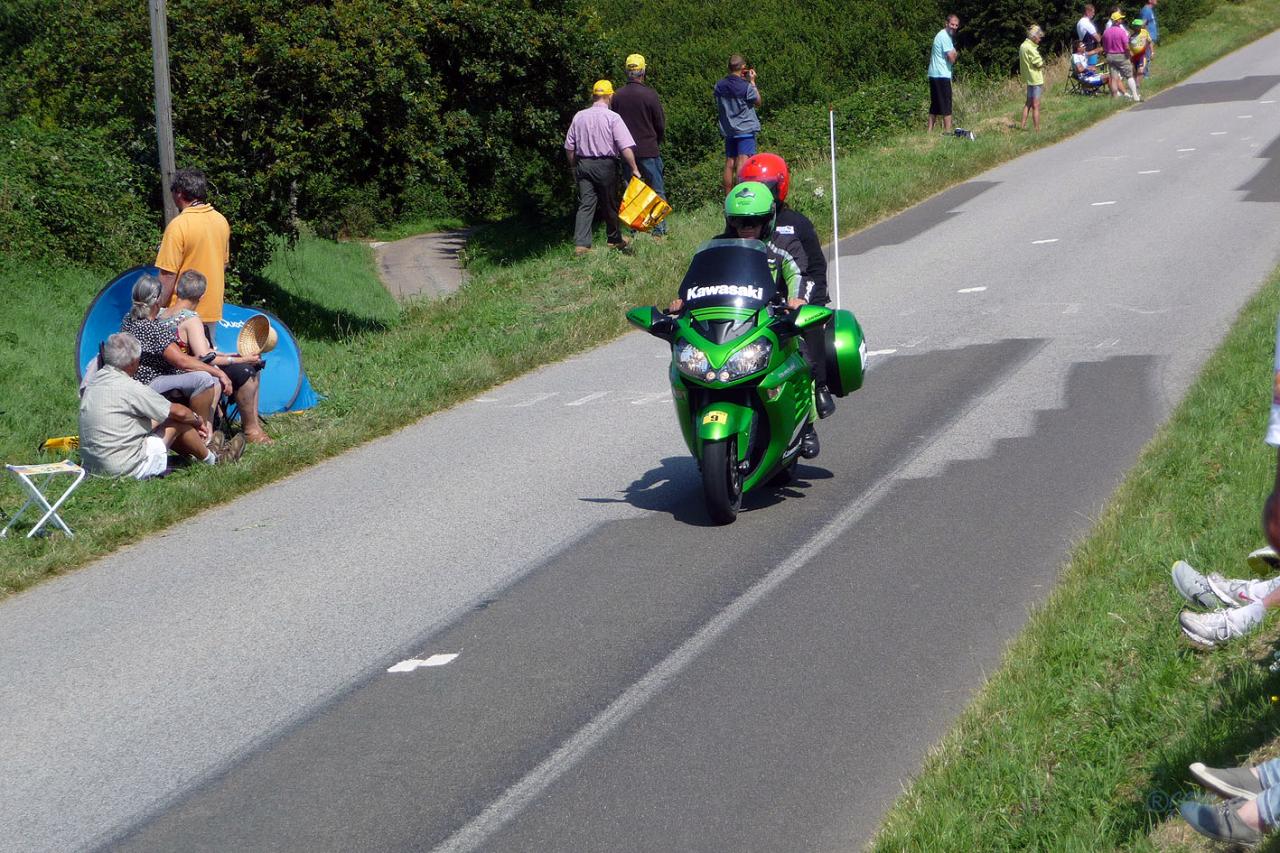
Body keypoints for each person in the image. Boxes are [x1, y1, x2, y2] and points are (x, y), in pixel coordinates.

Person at [668, 182, 822, 458]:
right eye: (739, 221)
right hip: (729, 322)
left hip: (772, 321)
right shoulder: (717, 246)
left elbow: (798, 274)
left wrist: (796, 301)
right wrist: (682, 300)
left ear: (769, 218)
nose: (747, 227)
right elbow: (696, 281)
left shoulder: (783, 246)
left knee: (804, 362)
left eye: (755, 220)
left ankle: (806, 426)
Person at [740, 152, 835, 418]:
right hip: (752, 301)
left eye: (765, 187)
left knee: (808, 328)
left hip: (795, 297)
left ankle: (818, 387)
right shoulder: (740, 223)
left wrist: (808, 301)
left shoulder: (797, 224)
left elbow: (814, 267)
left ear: (779, 187)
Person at [79, 332, 245, 479]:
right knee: (177, 422)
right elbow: (178, 412)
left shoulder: (93, 383)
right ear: (131, 363)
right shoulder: (130, 387)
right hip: (123, 468)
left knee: (163, 420)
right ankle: (213, 460)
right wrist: (197, 421)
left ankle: (200, 453)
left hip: (94, 467)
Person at [159, 270, 272, 444]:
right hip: (188, 372)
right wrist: (241, 360)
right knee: (248, 369)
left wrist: (230, 355)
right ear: (202, 295)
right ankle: (250, 429)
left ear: (176, 289)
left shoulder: (162, 314)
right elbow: (205, 357)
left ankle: (250, 428)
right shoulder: (190, 319)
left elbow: (204, 353)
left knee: (246, 364)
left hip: (167, 373)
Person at [120, 273, 232, 431]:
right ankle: (201, 433)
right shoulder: (152, 328)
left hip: (137, 379)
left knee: (206, 377)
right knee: (205, 379)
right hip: (150, 381)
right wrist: (219, 372)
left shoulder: (129, 319)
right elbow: (181, 361)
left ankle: (206, 432)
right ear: (158, 300)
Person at [155, 167, 231, 350]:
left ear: (179, 193)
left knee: (181, 369)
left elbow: (167, 276)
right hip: (211, 310)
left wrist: (156, 310)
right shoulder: (221, 221)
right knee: (206, 363)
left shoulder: (178, 226)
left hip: (180, 314)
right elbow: (224, 264)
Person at [565, 79, 641, 256]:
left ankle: (582, 245)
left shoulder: (579, 116)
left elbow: (569, 147)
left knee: (586, 204)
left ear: (594, 96)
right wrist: (634, 167)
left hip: (583, 164)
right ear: (609, 96)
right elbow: (625, 147)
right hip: (605, 165)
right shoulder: (613, 117)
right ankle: (614, 240)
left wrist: (573, 167)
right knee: (609, 204)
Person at [611, 53, 668, 239]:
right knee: (657, 190)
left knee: (633, 191)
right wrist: (656, 140)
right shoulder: (650, 94)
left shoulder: (617, 96)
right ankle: (658, 232)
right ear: (643, 71)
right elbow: (660, 123)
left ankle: (636, 231)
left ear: (627, 71)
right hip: (649, 148)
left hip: (627, 152)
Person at [713, 55, 762, 194]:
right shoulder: (745, 86)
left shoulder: (719, 86)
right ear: (742, 68)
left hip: (729, 129)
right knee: (743, 160)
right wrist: (752, 82)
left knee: (730, 163)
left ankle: (728, 196)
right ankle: (742, 194)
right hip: (745, 128)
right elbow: (758, 101)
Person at [927, 14, 960, 133]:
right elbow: (952, 58)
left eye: (956, 25)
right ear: (946, 23)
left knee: (935, 104)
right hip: (942, 75)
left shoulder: (941, 34)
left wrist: (953, 52)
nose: (954, 27)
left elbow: (951, 54)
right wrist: (954, 53)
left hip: (933, 74)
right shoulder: (945, 37)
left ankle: (929, 131)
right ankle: (947, 132)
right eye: (952, 24)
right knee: (946, 103)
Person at [1103, 13, 1140, 100]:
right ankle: (1135, 96)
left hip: (1110, 56)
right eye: (1120, 19)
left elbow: (1104, 47)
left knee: (1114, 77)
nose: (1121, 20)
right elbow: (1126, 46)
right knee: (1129, 75)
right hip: (1121, 55)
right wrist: (1129, 53)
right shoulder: (1122, 32)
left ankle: (1115, 97)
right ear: (1116, 21)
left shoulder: (1106, 32)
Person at [1020, 25, 1046, 131]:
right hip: (1036, 79)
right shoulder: (1031, 48)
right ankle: (1037, 129)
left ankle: (1022, 125)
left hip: (1029, 79)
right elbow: (1038, 63)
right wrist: (1042, 63)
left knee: (1028, 103)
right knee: (1036, 105)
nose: (1040, 39)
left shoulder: (1023, 46)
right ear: (1034, 37)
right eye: (1039, 37)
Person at [1129, 17, 1152, 85]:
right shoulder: (1130, 36)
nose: (1138, 27)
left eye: (1139, 26)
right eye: (1136, 26)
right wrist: (1130, 53)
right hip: (1134, 56)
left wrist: (1152, 52)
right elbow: (1127, 46)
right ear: (1134, 27)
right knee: (1135, 71)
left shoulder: (1144, 32)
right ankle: (1135, 83)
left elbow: (1150, 41)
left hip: (1142, 55)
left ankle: (1137, 85)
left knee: (1141, 70)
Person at [1140, 0, 1158, 72]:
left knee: (1148, 56)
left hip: (1150, 37)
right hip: (1148, 38)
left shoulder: (1149, 10)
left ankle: (1145, 74)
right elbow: (1142, 25)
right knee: (1147, 57)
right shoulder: (1146, 10)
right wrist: (1147, 38)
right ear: (1150, 1)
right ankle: (1144, 75)